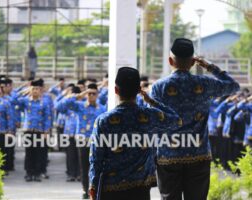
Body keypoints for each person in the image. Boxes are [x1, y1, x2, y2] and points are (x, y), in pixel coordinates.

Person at [150, 38, 240, 200]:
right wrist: (209, 67)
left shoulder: (158, 87)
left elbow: (154, 122)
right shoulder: (205, 83)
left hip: (168, 155)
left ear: (170, 61)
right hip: (198, 155)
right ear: (193, 62)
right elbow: (234, 85)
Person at [88, 67, 182, 200]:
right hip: (140, 189)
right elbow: (177, 121)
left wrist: (93, 186)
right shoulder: (150, 116)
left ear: (116, 90)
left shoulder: (103, 121)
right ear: (139, 90)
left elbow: (96, 159)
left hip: (111, 189)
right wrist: (151, 101)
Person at [55, 83, 106, 199]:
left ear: (97, 95)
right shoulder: (80, 106)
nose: (91, 96)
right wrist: (79, 95)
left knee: (97, 166)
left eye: (93, 93)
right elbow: (59, 107)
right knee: (84, 166)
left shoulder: (102, 108)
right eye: (89, 93)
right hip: (83, 141)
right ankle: (85, 189)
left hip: (97, 141)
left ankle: (95, 189)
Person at [17, 79, 52, 182]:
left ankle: (37, 173)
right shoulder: (25, 101)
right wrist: (24, 91)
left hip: (39, 131)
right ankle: (29, 173)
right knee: (29, 152)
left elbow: (47, 118)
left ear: (40, 90)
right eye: (33, 89)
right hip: (28, 130)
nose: (35, 91)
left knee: (38, 153)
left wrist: (46, 131)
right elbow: (13, 100)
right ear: (30, 90)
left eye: (37, 89)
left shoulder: (44, 103)